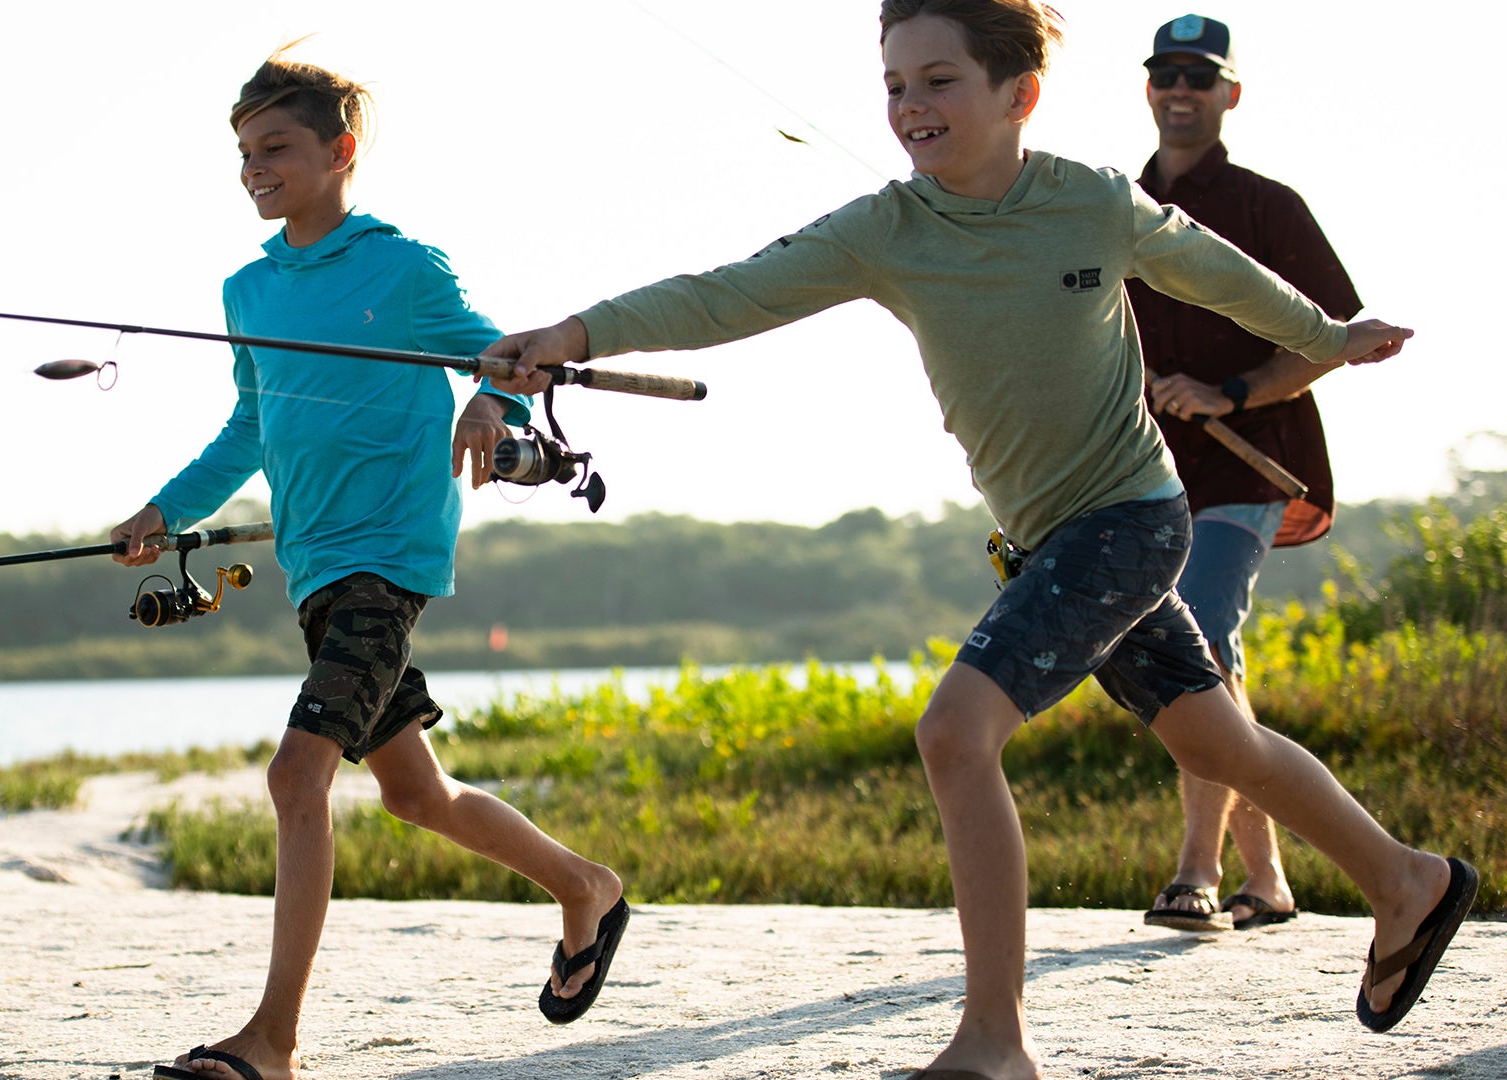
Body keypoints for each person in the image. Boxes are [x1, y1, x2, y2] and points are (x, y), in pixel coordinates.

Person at [484, 3, 1476, 1077]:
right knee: (1217, 745)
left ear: (1019, 95)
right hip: (1046, 538)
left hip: (1134, 519)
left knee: (957, 733)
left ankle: (995, 1041)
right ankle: (1407, 882)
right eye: (896, 85)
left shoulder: (1090, 201)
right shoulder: (887, 230)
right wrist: (575, 335)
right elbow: (728, 293)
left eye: (938, 81)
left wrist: (1327, 339)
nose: (910, 106)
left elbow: (1217, 271)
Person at [117, 47, 627, 1080]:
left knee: (296, 774)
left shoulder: (401, 268)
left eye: (277, 148)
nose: (255, 169)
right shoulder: (248, 289)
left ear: (339, 151)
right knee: (415, 797)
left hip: (389, 559)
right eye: (244, 152)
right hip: (313, 564)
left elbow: (504, 356)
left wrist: (495, 400)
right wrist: (165, 512)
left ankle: (272, 1043)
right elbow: (249, 429)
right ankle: (587, 888)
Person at [1129, 13, 1368, 936]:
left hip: (1251, 470)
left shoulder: (1271, 205)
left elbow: (1332, 338)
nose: (1181, 92)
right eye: (1166, 77)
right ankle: (1266, 874)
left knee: (1198, 636)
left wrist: (1228, 390)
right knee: (1216, 661)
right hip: (1142, 476)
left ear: (1230, 93)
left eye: (1200, 78)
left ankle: (1197, 866)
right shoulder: (1119, 205)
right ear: (1147, 90)